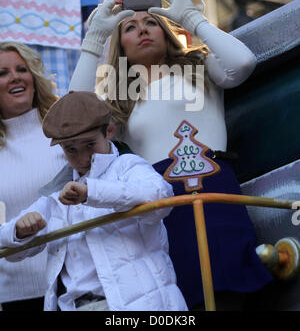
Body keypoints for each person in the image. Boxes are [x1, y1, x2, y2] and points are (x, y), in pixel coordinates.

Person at [68, 0, 273, 309]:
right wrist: (96, 35)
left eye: (152, 21)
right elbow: (74, 110)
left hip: (216, 190)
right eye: (130, 27)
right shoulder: (119, 97)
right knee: (187, 295)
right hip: (161, 207)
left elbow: (243, 62)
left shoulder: (199, 67)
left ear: (166, 31)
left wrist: (189, 16)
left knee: (235, 287)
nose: (143, 29)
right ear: (120, 45)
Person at [0, 91, 188, 312]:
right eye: (71, 149)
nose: (82, 158)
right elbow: (8, 246)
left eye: (90, 145)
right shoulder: (57, 195)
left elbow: (160, 195)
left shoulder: (128, 165)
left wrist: (91, 192)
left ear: (109, 131)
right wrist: (20, 230)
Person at [0, 41, 66, 311]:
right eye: (2, 73)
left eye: (21, 69)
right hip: (16, 296)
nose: (15, 77)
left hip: (75, 283)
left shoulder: (65, 130)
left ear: (34, 77)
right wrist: (16, 230)